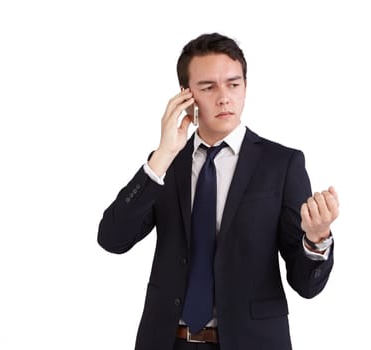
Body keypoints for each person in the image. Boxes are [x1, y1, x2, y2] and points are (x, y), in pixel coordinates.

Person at [97, 32, 339, 350]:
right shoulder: (166, 164)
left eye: (233, 84)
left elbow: (306, 284)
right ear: (187, 95)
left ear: (245, 87)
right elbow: (112, 239)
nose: (224, 97)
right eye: (208, 87)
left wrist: (316, 239)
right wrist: (162, 157)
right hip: (169, 341)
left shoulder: (282, 164)